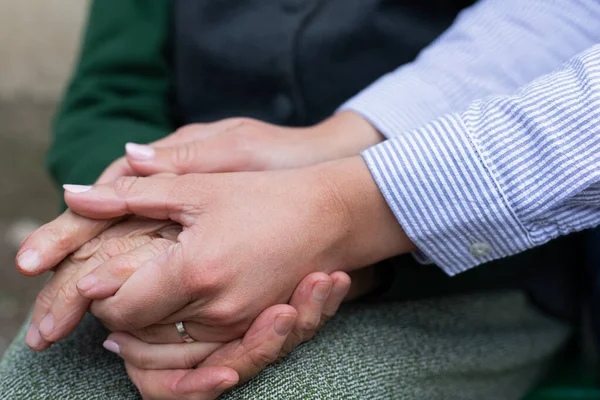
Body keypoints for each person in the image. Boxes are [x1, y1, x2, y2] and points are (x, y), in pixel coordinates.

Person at [3, 0, 600, 399]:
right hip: (177, 245)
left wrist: (346, 238)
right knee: (45, 387)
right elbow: (109, 95)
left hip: (467, 269)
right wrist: (136, 221)